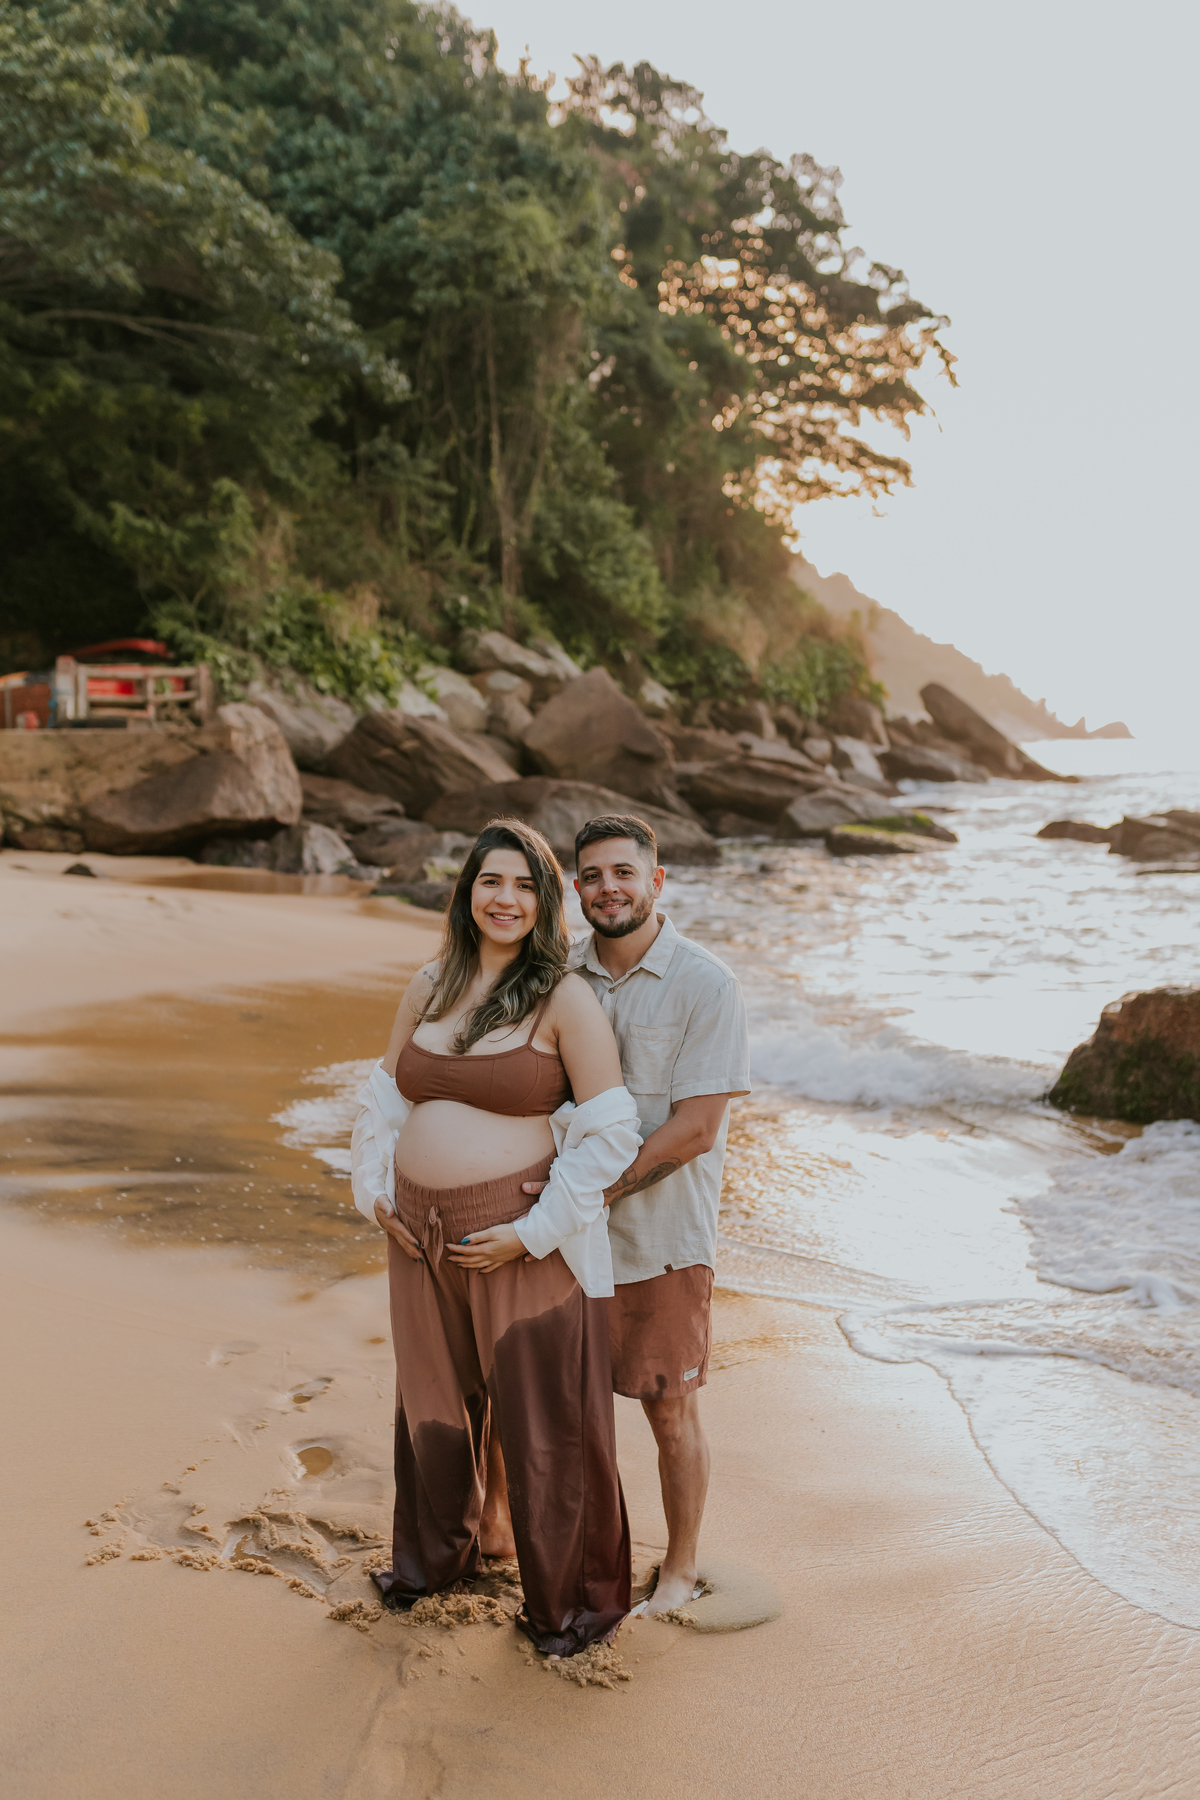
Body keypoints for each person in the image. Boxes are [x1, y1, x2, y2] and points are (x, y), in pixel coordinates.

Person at [349, 818, 642, 1657]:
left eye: (523, 885)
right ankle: (432, 1563)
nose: (504, 898)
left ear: (545, 900)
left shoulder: (564, 996)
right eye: (490, 881)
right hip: (418, 1237)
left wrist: (532, 1232)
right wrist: (375, 1195)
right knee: (433, 1407)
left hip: (521, 1240)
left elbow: (610, 1132)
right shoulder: (431, 984)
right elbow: (383, 1100)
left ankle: (570, 1610)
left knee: (547, 1420)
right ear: (467, 891)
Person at [520, 813, 750, 1614]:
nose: (607, 887)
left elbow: (695, 1130)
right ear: (575, 889)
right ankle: (563, 1556)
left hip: (660, 1240)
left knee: (669, 1407)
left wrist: (595, 1193)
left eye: (624, 873)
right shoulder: (556, 975)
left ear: (657, 882)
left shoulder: (706, 985)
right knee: (555, 1408)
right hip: (561, 1237)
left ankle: (680, 1569)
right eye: (591, 875)